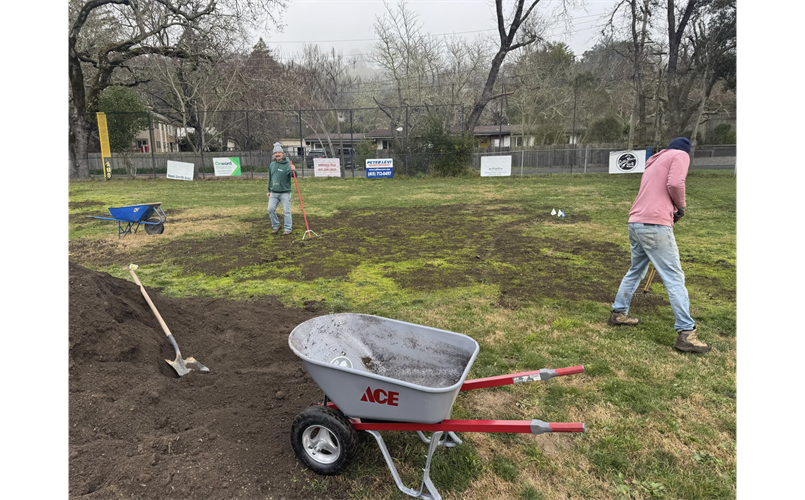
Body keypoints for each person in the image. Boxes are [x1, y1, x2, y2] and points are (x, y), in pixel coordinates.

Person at [607, 137, 711, 353]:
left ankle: (618, 313)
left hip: (635, 222)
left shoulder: (655, 160)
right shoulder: (680, 155)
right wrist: (680, 207)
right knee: (674, 277)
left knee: (636, 270)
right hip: (655, 225)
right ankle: (686, 333)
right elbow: (674, 183)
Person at [267, 143, 296, 235]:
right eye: (275, 152)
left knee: (286, 211)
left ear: (282, 154)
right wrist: (269, 190)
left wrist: (293, 170)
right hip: (273, 192)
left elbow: (293, 175)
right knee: (270, 209)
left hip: (285, 192)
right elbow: (270, 178)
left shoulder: (287, 164)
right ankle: (276, 226)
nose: (277, 154)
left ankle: (288, 229)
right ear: (274, 154)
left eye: (279, 152)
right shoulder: (272, 165)